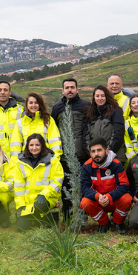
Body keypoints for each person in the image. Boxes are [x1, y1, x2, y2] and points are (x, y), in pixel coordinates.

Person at [51, 78, 90, 219]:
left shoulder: (86, 105)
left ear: (77, 89)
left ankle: (83, 216)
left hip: (83, 155)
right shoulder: (57, 108)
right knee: (66, 188)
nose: (69, 90)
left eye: (72, 87)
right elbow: (53, 130)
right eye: (67, 87)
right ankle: (67, 217)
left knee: (84, 187)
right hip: (64, 157)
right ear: (62, 90)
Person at [80, 137, 133, 234]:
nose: (96, 154)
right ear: (90, 153)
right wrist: (98, 196)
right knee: (84, 202)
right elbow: (85, 188)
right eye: (93, 151)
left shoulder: (116, 164)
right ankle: (104, 223)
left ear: (107, 151)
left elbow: (124, 186)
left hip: (114, 200)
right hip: (98, 201)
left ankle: (118, 223)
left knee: (127, 199)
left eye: (99, 150)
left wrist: (109, 197)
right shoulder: (86, 166)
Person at [13, 134, 63, 230]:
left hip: (47, 198)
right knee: (21, 227)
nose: (34, 148)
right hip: (29, 203)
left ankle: (52, 214)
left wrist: (44, 194)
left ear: (42, 146)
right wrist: (20, 205)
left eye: (37, 145)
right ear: (27, 146)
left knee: (41, 207)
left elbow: (57, 181)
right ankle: (37, 219)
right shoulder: (20, 162)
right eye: (31, 145)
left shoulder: (53, 160)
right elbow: (19, 187)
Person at [12, 93, 61, 157]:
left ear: (40, 104)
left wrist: (55, 158)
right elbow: (15, 145)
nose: (33, 105)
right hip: (26, 160)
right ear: (27, 105)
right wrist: (15, 161)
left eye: (36, 103)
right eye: (31, 103)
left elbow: (55, 141)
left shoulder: (48, 120)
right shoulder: (20, 122)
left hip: (46, 159)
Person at [85, 86, 126, 162]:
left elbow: (118, 135)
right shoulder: (90, 114)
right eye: (97, 96)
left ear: (107, 97)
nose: (100, 98)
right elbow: (86, 137)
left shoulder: (115, 112)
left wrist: (108, 153)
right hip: (96, 158)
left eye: (102, 96)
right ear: (94, 98)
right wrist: (93, 153)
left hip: (114, 157)